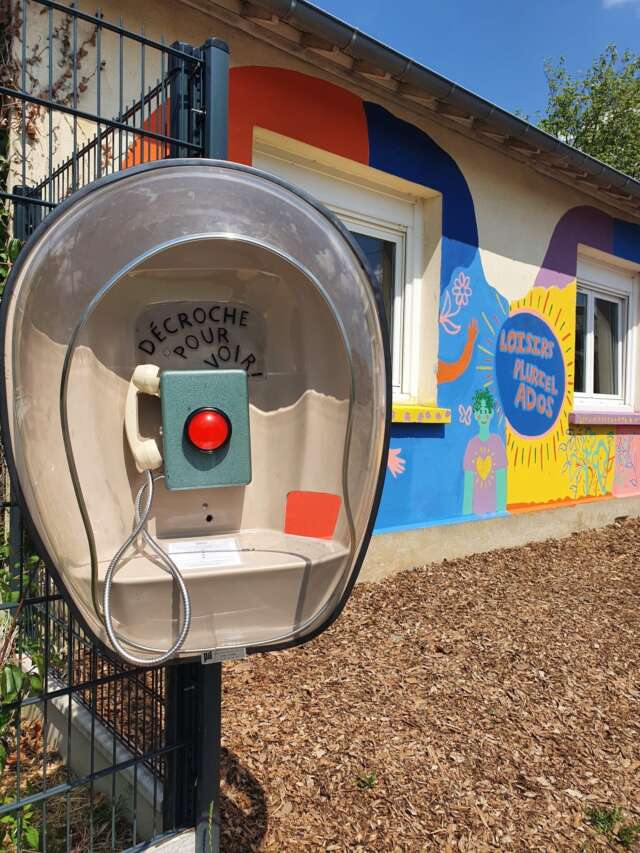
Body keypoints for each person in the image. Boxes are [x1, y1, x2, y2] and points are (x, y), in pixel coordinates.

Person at [462, 389, 507, 515]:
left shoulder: (497, 442)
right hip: (475, 512)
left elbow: (501, 480)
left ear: (492, 413)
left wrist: (501, 511)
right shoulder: (471, 445)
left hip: (494, 512)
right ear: (476, 414)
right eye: (480, 412)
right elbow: (468, 484)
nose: (483, 416)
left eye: (486, 411)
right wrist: (467, 514)